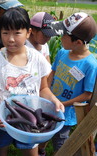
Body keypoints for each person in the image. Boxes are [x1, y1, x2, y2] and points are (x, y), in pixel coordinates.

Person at [0, 7, 65, 156]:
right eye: (5, 32)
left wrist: (53, 99)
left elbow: (43, 89)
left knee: (30, 151)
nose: (11, 38)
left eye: (17, 33)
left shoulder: (38, 59)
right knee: (0, 151)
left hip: (31, 120)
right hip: (3, 122)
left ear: (28, 32)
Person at [48, 12, 97, 153]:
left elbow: (87, 94)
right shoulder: (62, 53)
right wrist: (47, 94)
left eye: (63, 35)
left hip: (66, 113)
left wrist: (62, 104)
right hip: (50, 102)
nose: (60, 37)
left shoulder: (90, 65)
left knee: (60, 141)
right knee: (43, 132)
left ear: (78, 42)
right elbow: (53, 72)